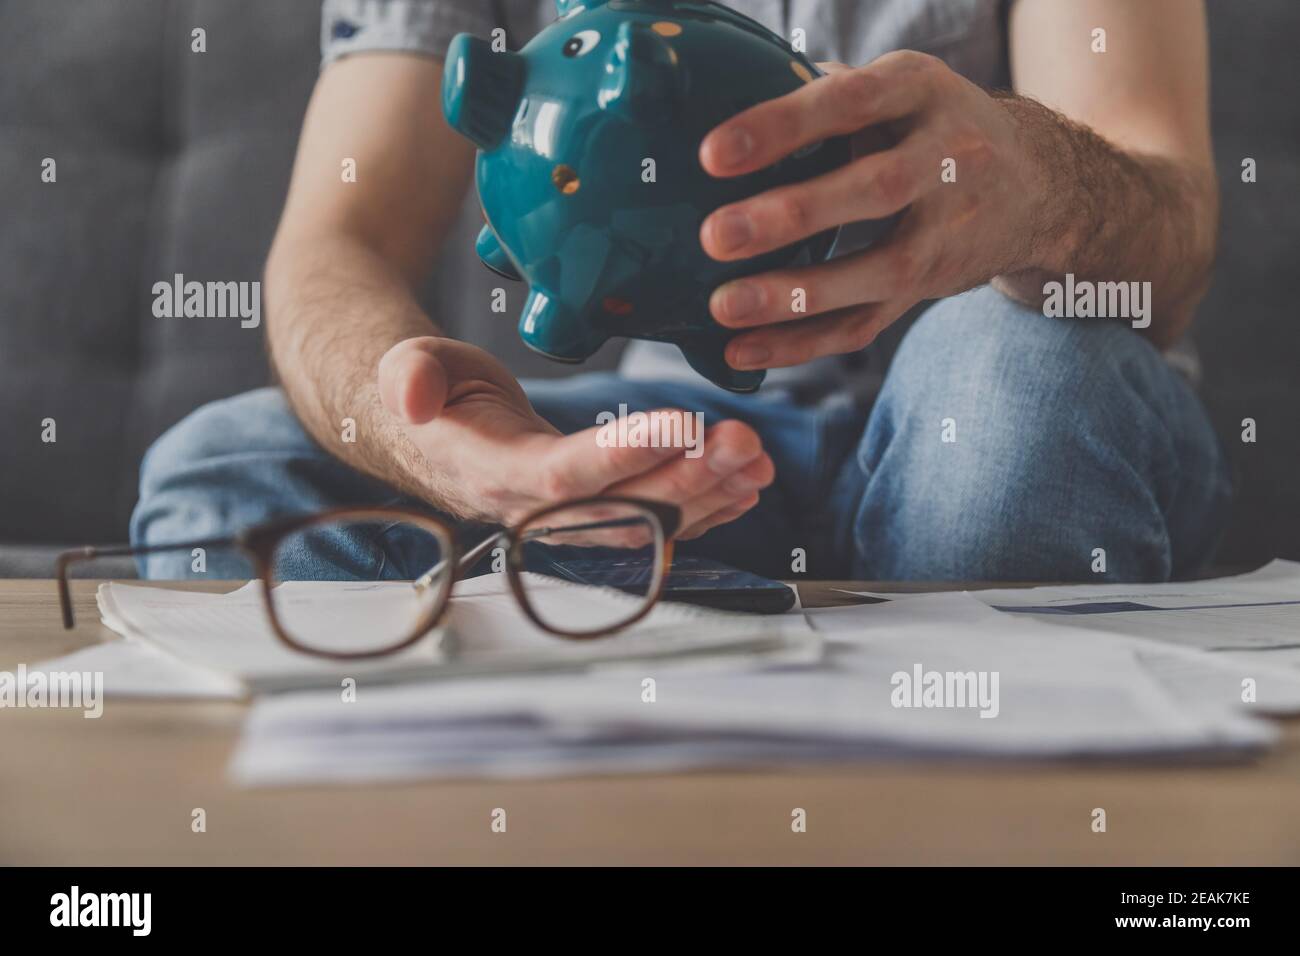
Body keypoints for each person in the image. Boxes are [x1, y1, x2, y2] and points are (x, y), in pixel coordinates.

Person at [131, 0, 1230, 583]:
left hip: (991, 383)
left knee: (1013, 410)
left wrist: (1039, 187)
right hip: (688, 447)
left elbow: (1171, 242)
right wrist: (441, 447)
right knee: (227, 475)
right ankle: (723, 633)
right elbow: (336, 243)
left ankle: (661, 628)